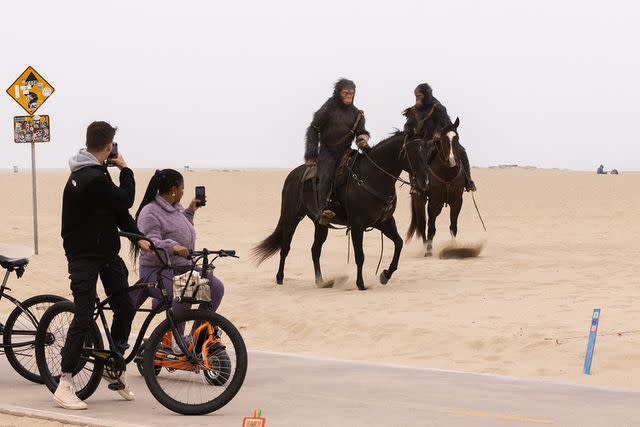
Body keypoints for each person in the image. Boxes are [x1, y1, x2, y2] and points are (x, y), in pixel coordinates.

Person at [57, 121, 150, 410]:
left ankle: (114, 363)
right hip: (83, 258)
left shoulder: (96, 175)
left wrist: (139, 238)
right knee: (84, 317)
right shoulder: (90, 178)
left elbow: (117, 211)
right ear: (110, 147)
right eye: (114, 146)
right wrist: (126, 169)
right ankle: (64, 382)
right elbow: (126, 198)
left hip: (106, 255)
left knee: (125, 307)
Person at [130, 169, 225, 345]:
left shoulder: (174, 209)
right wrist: (172, 247)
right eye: (182, 188)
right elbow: (150, 242)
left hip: (183, 267)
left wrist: (190, 211)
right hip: (157, 270)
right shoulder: (150, 211)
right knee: (187, 288)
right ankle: (176, 340)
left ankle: (196, 337)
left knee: (216, 288)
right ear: (174, 189)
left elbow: (180, 230)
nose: (183, 191)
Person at [304, 78, 370, 225]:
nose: (348, 96)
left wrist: (363, 140)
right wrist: (311, 153)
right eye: (345, 93)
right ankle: (322, 210)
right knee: (326, 175)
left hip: (346, 151)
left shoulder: (357, 114)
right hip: (328, 151)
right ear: (338, 93)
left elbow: (362, 132)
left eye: (351, 93)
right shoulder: (328, 108)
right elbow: (313, 129)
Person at [403, 83, 476, 192]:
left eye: (419, 97)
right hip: (421, 141)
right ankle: (416, 183)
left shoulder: (438, 108)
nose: (417, 100)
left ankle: (468, 181)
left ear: (426, 95)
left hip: (439, 140)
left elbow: (447, 124)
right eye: (416, 97)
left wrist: (438, 132)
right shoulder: (414, 110)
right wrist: (409, 134)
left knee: (461, 150)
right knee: (416, 154)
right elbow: (407, 126)